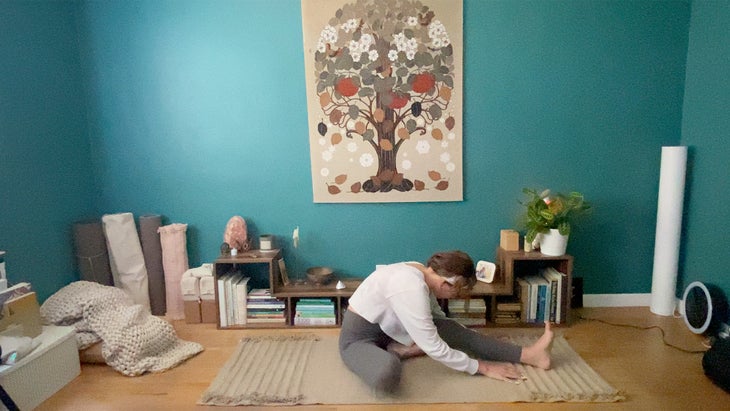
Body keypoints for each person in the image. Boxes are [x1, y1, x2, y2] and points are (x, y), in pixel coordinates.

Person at [339, 250, 553, 393]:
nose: (458, 295)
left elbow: (439, 321)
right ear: (446, 283)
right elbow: (434, 346)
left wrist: (470, 338)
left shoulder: (423, 273)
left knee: (458, 333)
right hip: (360, 339)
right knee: (386, 374)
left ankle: (531, 355)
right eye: (458, 290)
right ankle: (397, 352)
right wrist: (482, 367)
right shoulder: (410, 286)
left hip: (392, 329)